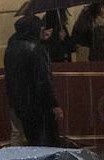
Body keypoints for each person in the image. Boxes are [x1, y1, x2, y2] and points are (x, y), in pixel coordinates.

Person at [4, 16, 61, 147]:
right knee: (45, 140)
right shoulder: (36, 48)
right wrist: (54, 104)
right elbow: (43, 80)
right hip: (37, 104)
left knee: (22, 135)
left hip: (17, 101)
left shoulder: (12, 45)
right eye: (40, 28)